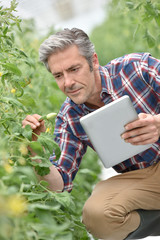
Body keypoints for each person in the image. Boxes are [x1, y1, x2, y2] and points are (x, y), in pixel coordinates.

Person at [22, 28, 160, 240]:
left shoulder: (136, 68)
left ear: (93, 61)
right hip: (145, 177)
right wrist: (35, 150)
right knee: (96, 215)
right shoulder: (69, 116)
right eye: (58, 75)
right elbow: (59, 186)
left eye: (74, 69)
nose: (67, 82)